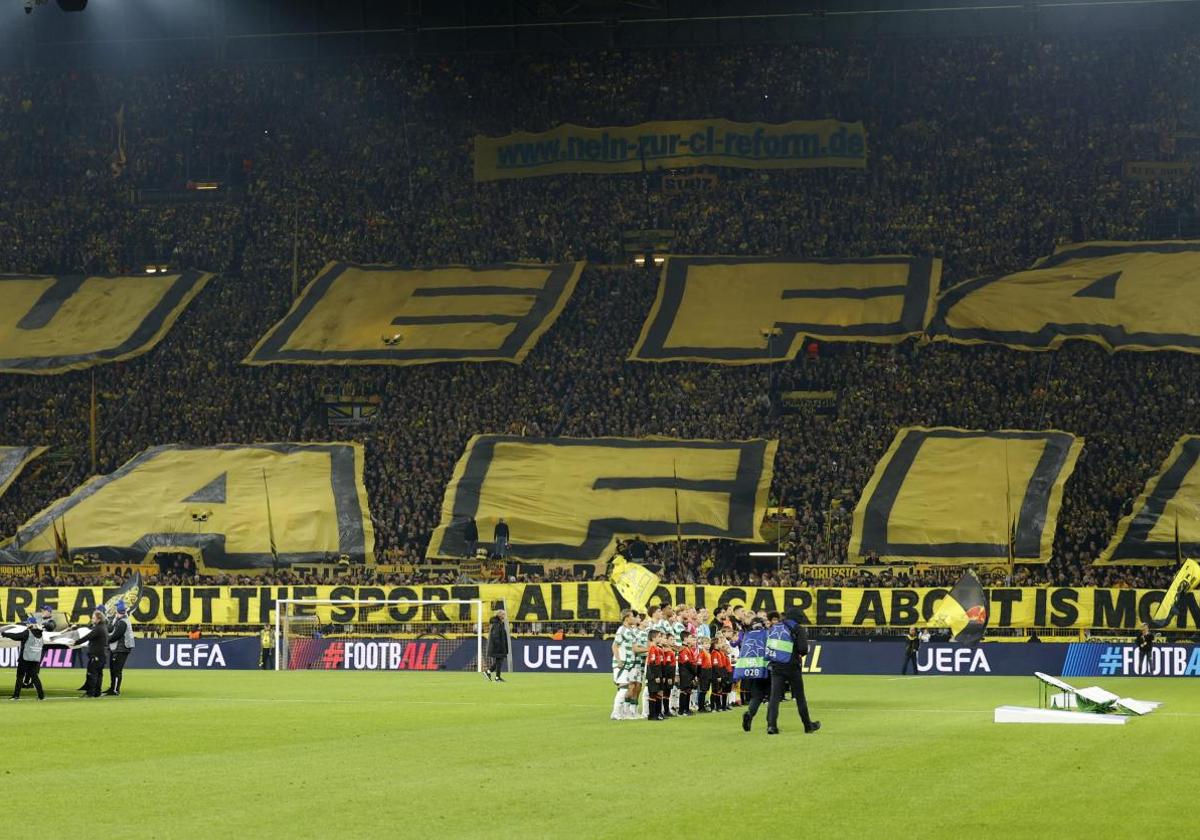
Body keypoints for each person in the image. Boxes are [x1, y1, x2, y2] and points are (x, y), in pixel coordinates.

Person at [765, 608, 820, 735]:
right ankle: (808, 725)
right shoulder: (798, 629)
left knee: (774, 696)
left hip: (776, 665)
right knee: (800, 696)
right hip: (792, 666)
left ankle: (771, 726)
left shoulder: (776, 626)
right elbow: (803, 649)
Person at [739, 615, 771, 731]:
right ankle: (770, 723)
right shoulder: (767, 634)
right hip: (767, 669)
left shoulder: (747, 636)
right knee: (771, 697)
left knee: (756, 697)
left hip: (753, 670)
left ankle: (749, 714)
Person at [3, 616, 46, 700]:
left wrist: (5, 634)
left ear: (30, 624)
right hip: (35, 659)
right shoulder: (41, 634)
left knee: (19, 677)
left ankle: (16, 696)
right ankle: (41, 696)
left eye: (28, 623)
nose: (26, 624)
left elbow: (16, 636)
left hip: (25, 659)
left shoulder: (27, 632)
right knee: (35, 677)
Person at [74, 610, 110, 698]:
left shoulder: (98, 628)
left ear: (98, 619)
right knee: (99, 674)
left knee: (92, 673)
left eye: (94, 618)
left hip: (97, 655)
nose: (92, 619)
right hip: (102, 655)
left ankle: (90, 693)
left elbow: (87, 637)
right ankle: (97, 692)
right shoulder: (103, 627)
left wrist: (76, 642)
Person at [105, 600, 135, 696]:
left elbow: (116, 635)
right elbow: (111, 629)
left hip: (121, 648)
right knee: (113, 669)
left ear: (118, 611)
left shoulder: (122, 622)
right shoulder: (119, 620)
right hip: (118, 648)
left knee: (117, 670)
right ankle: (112, 688)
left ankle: (115, 690)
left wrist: (106, 640)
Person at [484, 609, 509, 681]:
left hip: (500, 646)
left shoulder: (499, 623)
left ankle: (495, 676)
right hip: (498, 647)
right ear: (499, 615)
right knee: (499, 661)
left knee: (499, 661)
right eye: (503, 614)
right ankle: (492, 674)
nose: (504, 616)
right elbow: (495, 636)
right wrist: (499, 646)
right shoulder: (496, 623)